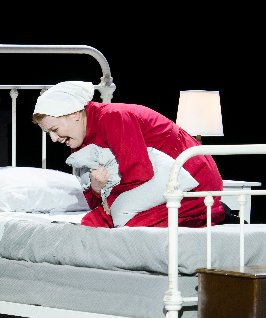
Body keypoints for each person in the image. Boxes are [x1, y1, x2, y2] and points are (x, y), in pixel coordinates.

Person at [32, 81, 226, 228]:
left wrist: (111, 202)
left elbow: (139, 172)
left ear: (75, 114)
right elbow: (95, 202)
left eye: (54, 130)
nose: (54, 139)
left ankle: (210, 212)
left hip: (193, 178)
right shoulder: (78, 142)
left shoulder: (112, 117)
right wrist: (97, 188)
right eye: (49, 133)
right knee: (98, 222)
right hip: (160, 187)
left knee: (114, 221)